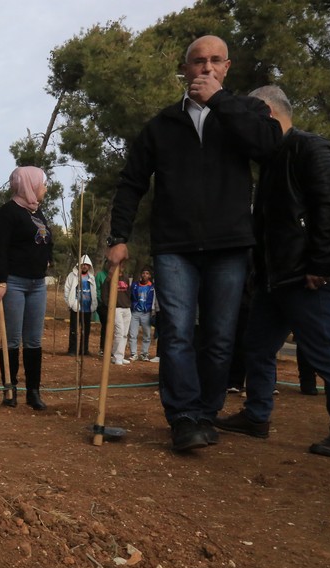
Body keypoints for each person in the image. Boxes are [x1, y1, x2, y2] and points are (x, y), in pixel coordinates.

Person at [105, 35, 283, 452]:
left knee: (221, 336)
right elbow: (131, 183)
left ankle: (207, 411)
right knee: (180, 332)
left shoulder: (247, 112)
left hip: (230, 244)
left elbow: (268, 147)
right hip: (175, 246)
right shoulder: (161, 126)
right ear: (183, 70)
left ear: (227, 68)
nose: (205, 68)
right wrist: (119, 237)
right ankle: (183, 417)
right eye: (197, 61)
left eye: (214, 61)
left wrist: (221, 101)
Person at [214, 85, 330, 457]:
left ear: (265, 113)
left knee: (327, 353)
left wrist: (321, 263)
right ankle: (257, 416)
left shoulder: (310, 149)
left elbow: (329, 207)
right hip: (273, 278)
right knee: (258, 348)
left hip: (305, 275)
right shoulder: (269, 160)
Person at [0, 167, 53, 410]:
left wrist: (47, 259)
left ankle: (33, 392)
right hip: (14, 282)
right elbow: (1, 249)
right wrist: (0, 281)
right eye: (43, 183)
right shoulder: (7, 213)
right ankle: (10, 390)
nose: (45, 188)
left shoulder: (38, 213)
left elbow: (47, 241)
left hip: (38, 284)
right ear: (29, 184)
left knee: (34, 340)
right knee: (12, 339)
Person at [64, 255, 97, 357]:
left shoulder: (91, 277)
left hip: (87, 308)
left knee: (86, 331)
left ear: (89, 266)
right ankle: (72, 350)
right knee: (74, 330)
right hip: (76, 308)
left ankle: (84, 350)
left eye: (87, 265)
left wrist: (93, 304)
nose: (85, 266)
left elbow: (94, 292)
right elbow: (67, 290)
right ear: (79, 265)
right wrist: (71, 304)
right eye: (83, 264)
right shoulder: (72, 276)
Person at [128, 268, 157, 361]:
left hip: (146, 313)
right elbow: (130, 296)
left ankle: (144, 353)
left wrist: (152, 310)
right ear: (141, 275)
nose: (145, 275)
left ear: (149, 276)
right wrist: (133, 305)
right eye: (143, 273)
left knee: (147, 335)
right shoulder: (135, 285)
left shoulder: (152, 287)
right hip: (135, 312)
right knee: (133, 334)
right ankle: (133, 353)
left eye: (147, 273)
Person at [107, 270, 132, 365]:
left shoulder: (125, 278)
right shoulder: (110, 279)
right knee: (119, 332)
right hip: (116, 308)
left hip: (126, 308)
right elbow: (105, 293)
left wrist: (128, 303)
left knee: (125, 334)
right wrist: (109, 306)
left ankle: (119, 356)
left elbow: (128, 293)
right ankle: (116, 356)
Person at [95, 260, 110, 354]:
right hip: (103, 305)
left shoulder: (116, 275)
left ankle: (112, 348)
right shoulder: (100, 275)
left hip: (115, 306)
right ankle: (103, 348)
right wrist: (103, 301)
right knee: (105, 326)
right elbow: (97, 290)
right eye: (107, 263)